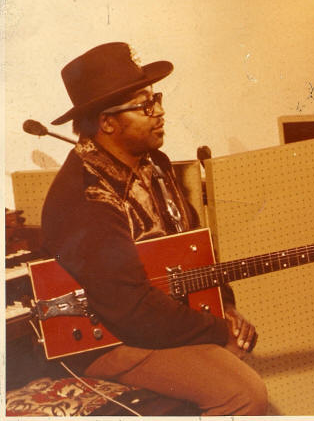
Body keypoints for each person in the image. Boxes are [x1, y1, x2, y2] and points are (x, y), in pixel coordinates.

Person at [40, 42, 268, 415]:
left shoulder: (155, 165)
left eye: (156, 98)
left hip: (152, 321)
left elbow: (191, 248)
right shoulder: (87, 198)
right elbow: (130, 310)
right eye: (145, 105)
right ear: (107, 122)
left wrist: (223, 305)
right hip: (107, 341)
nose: (160, 111)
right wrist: (215, 330)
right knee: (244, 393)